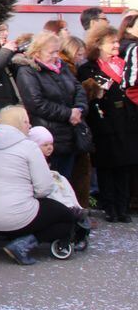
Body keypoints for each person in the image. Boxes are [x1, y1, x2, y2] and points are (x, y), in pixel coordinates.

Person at [0, 106, 78, 266]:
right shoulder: (28, 147)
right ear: (21, 123)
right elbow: (44, 188)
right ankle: (24, 244)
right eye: (28, 122)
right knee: (67, 217)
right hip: (17, 217)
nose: (30, 126)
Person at [77, 25, 138, 223]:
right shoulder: (89, 68)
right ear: (99, 45)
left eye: (117, 42)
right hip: (103, 123)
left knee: (125, 166)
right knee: (107, 167)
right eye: (112, 42)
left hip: (125, 122)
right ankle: (110, 206)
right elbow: (88, 95)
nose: (116, 45)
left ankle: (123, 206)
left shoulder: (122, 64)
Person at [15, 30, 87, 179]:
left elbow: (78, 88)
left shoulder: (62, 67)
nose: (55, 56)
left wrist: (79, 108)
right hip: (49, 134)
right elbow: (36, 103)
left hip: (70, 134)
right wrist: (69, 113)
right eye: (51, 52)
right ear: (37, 52)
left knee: (68, 180)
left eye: (57, 51)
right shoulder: (27, 71)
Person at [59, 35, 93, 208]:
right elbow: (71, 94)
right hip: (67, 128)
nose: (81, 57)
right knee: (71, 173)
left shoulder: (69, 67)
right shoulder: (67, 67)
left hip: (70, 124)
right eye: (79, 53)